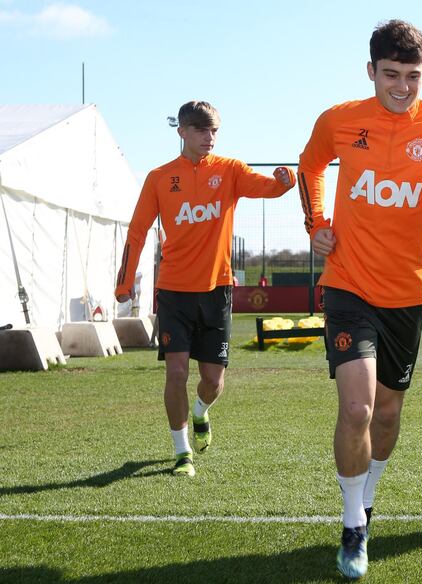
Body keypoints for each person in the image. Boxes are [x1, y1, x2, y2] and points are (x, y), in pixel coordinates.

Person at [298, 20, 422, 579]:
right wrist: (317, 221)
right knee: (356, 407)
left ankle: (368, 498)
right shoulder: (339, 119)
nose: (402, 86)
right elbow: (310, 165)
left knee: (386, 414)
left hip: (406, 295)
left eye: (413, 76)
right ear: (371, 71)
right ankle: (353, 524)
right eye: (391, 74)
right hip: (347, 286)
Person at [115, 100, 295, 478]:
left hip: (217, 292)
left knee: (213, 380)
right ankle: (182, 453)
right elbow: (137, 230)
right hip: (174, 293)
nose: (209, 137)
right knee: (176, 373)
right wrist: (125, 281)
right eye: (200, 130)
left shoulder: (229, 170)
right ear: (181, 131)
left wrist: (284, 181)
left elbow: (268, 189)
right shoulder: (160, 177)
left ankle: (200, 411)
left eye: (213, 130)